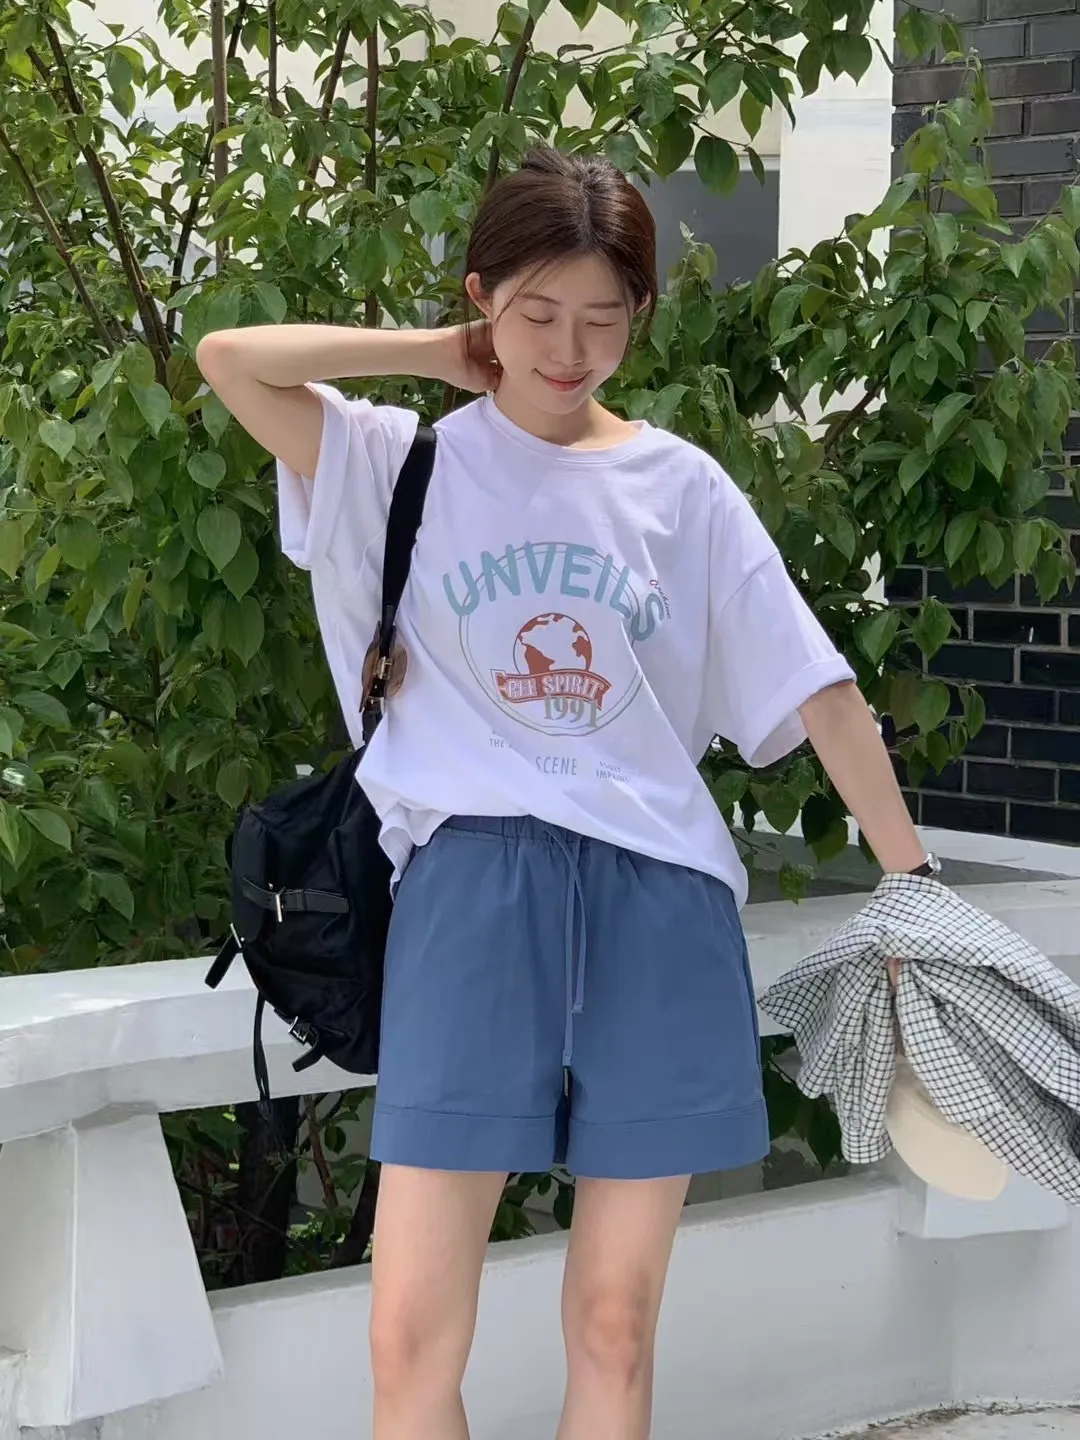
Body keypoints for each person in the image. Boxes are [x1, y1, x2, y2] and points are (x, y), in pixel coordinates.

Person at [196, 147, 930, 1440]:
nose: (570, 350)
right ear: (483, 298)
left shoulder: (680, 488)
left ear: (640, 314)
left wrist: (912, 881)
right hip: (470, 895)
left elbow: (818, 690)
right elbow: (230, 359)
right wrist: (436, 356)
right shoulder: (400, 465)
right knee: (408, 1335)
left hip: (659, 903)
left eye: (604, 317)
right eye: (537, 313)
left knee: (614, 1324)